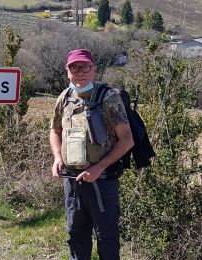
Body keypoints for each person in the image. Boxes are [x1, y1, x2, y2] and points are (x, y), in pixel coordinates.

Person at [50, 49, 134, 260]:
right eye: (74, 68)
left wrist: (98, 167)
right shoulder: (65, 97)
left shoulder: (108, 97)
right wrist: (58, 158)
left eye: (85, 67)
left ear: (94, 69)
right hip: (72, 180)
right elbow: (55, 131)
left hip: (102, 182)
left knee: (106, 237)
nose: (80, 73)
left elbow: (127, 140)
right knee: (76, 235)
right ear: (67, 71)